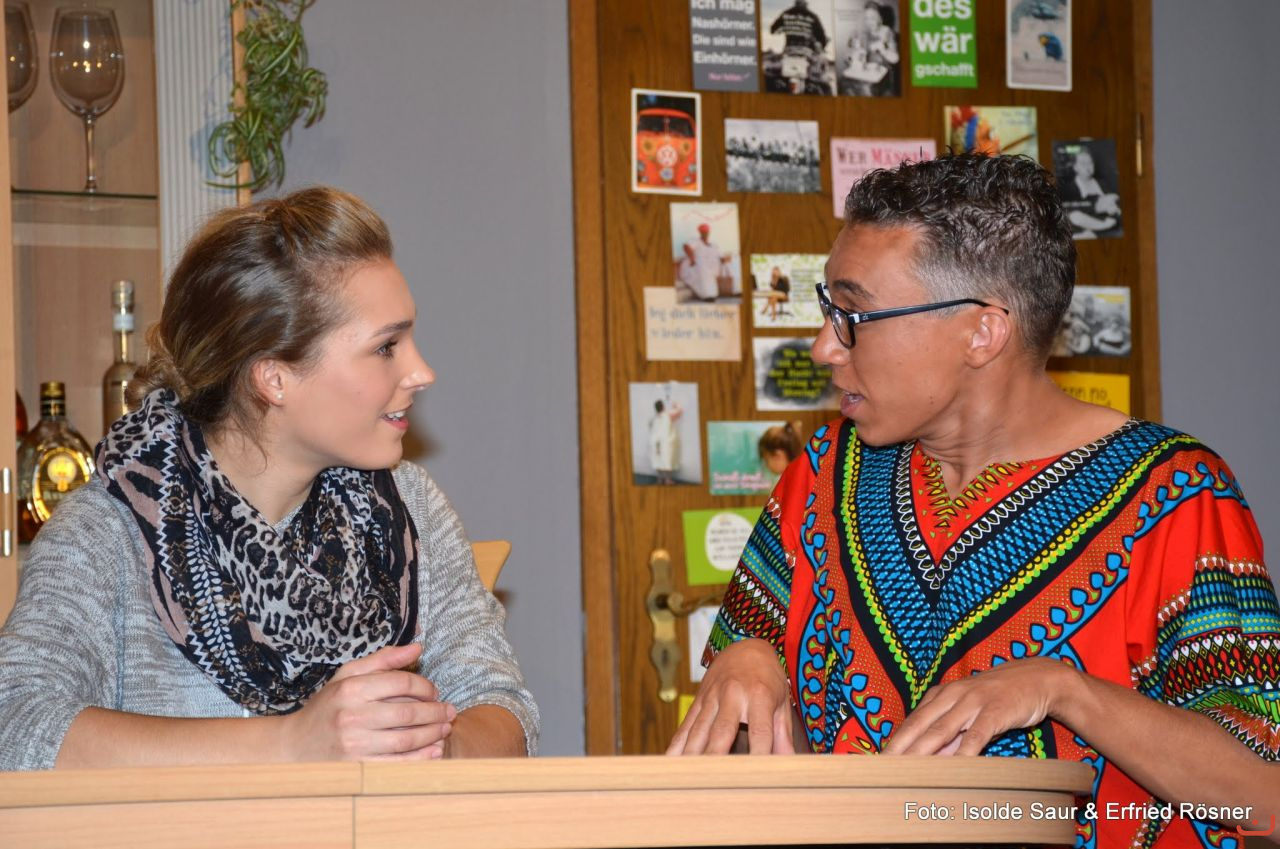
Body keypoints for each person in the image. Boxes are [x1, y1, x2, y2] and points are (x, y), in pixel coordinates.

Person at [668, 154, 1279, 849]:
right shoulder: (822, 477)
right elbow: (757, 765)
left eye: (853, 314)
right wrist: (749, 661)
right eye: (827, 310)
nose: (823, 347)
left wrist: (1064, 690)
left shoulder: (1175, 496)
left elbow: (1264, 796)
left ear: (983, 332)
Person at [0, 187, 539, 770]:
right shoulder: (110, 529)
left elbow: (505, 710)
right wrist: (292, 743)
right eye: (386, 347)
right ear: (274, 378)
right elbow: (16, 726)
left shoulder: (409, 508)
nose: (422, 371)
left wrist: (432, 744)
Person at [1060, 145, 1122, 239]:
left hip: (1112, 229)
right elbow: (1069, 211)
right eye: (1083, 163)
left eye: (1090, 162)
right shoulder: (1069, 188)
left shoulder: (1103, 183)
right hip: (1085, 230)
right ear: (1075, 167)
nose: (1088, 166)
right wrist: (1097, 207)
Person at [676, 223, 726, 302]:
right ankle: (706, 295)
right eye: (703, 232)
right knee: (703, 270)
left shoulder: (713, 245)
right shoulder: (696, 241)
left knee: (709, 273)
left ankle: (711, 295)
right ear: (700, 232)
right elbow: (686, 246)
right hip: (694, 265)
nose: (705, 233)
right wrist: (692, 258)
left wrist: (723, 261)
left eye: (706, 232)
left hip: (708, 268)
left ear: (709, 232)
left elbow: (721, 256)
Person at [648, 398, 682, 486]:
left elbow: (650, 426)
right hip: (665, 441)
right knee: (667, 459)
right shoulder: (668, 415)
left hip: (655, 441)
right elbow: (679, 411)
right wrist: (675, 405)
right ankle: (668, 480)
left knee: (657, 460)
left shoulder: (654, 418)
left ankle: (659, 479)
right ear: (663, 407)